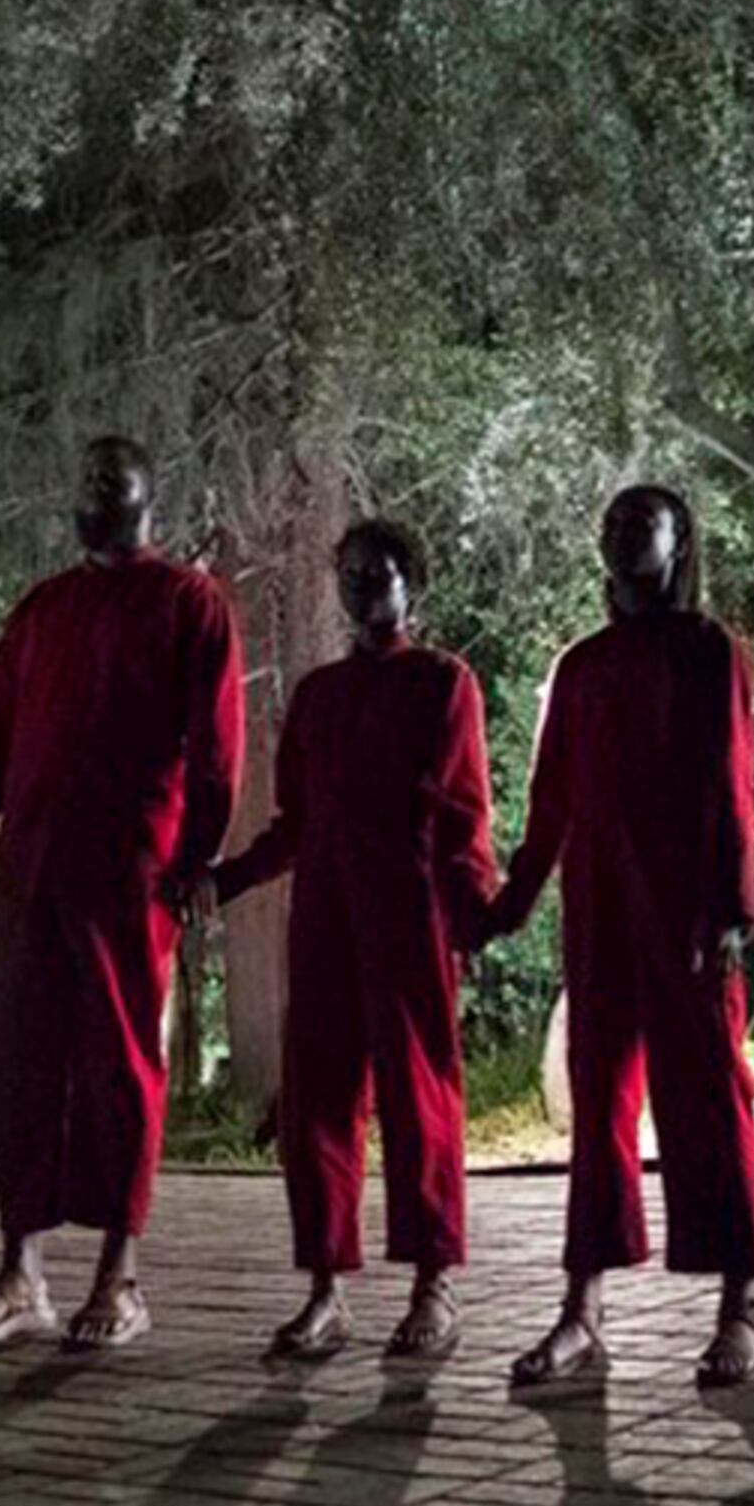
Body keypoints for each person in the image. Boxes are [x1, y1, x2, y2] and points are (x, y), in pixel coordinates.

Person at [0, 435, 247, 1354]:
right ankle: (20, 1270)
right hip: (32, 862)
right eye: (85, 478)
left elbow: (217, 748)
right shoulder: (41, 611)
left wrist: (196, 859)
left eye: (114, 477)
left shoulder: (189, 600)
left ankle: (121, 1272)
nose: (96, 489)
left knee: (118, 1060)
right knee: (18, 1057)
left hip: (128, 865)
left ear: (153, 493)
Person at [475, 484, 754, 1388]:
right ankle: (582, 1310)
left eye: (646, 521)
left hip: (683, 910)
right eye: (612, 521)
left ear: (680, 542)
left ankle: (741, 1308)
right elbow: (550, 800)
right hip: (599, 913)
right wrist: (506, 906)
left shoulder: (709, 650)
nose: (624, 533)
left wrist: (728, 909)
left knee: (709, 1105)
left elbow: (730, 780)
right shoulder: (582, 664)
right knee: (599, 1111)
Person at [204, 519, 499, 1363]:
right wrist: (227, 878)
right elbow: (296, 824)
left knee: (419, 1102)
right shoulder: (318, 696)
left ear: (413, 579)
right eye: (351, 572)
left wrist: (473, 910)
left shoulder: (444, 682)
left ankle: (432, 1287)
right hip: (325, 921)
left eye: (381, 570)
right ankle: (326, 1290)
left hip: (408, 920)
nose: (364, 583)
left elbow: (461, 817)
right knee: (318, 1107)